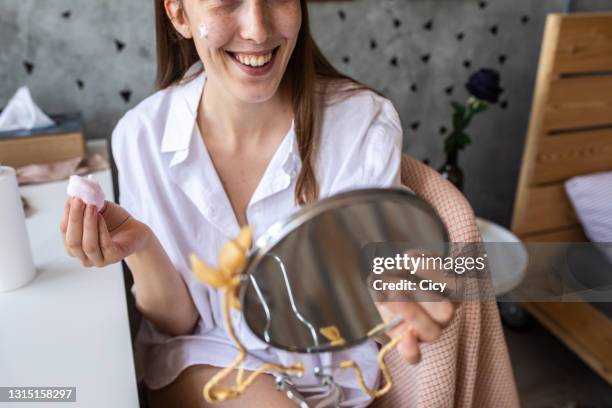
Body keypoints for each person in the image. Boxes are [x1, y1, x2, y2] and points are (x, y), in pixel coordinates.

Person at [60, 1, 518, 407]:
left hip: (329, 372)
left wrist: (403, 283)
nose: (258, 29)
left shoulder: (362, 123)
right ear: (179, 13)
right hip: (204, 358)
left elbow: (376, 271)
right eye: (228, 3)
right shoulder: (141, 136)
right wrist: (141, 245)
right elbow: (179, 325)